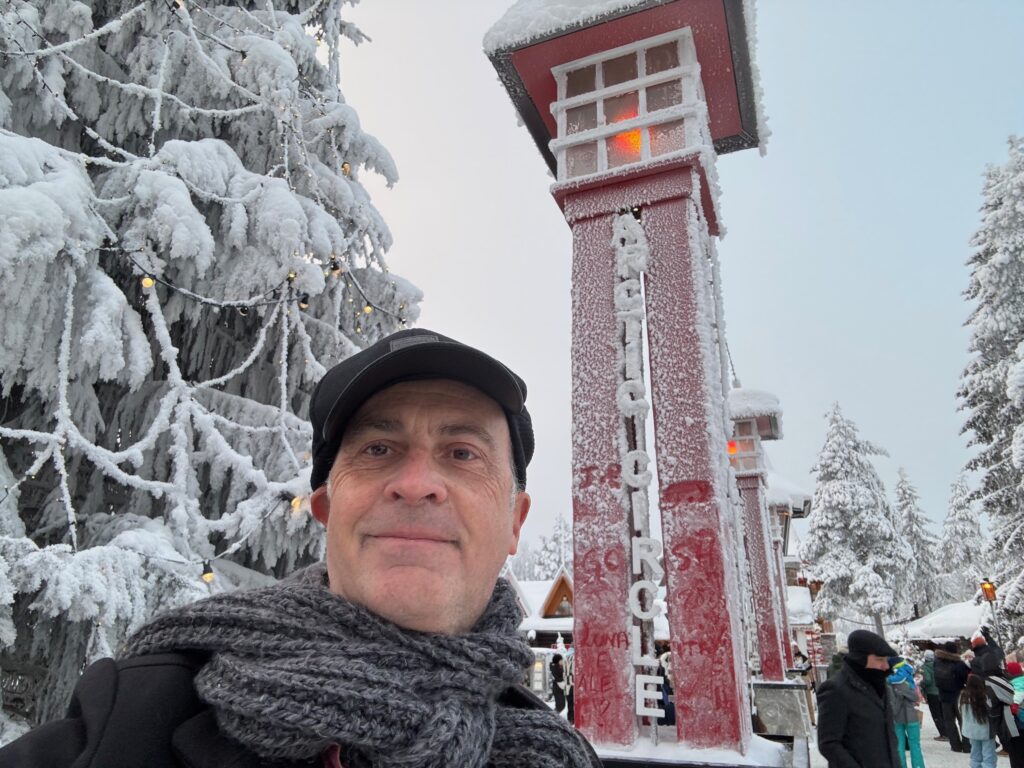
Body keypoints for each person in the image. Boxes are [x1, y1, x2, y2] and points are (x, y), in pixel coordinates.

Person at [0, 328, 601, 768]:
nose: (416, 483)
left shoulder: (550, 750)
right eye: (378, 450)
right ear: (326, 510)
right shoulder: (131, 716)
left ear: (515, 521)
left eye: (463, 454)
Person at [816, 629, 900, 768]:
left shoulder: (879, 685)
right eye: (879, 660)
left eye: (886, 660)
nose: (885, 666)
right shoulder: (835, 689)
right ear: (860, 659)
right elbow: (828, 743)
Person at [887, 657, 926, 768]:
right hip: (911, 716)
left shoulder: (889, 683)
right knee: (915, 745)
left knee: (899, 746)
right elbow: (915, 697)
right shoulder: (906, 683)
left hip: (896, 718)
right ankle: (918, 766)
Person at [935, 640, 971, 752]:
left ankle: (955, 745)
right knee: (963, 720)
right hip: (958, 695)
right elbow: (965, 678)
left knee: (949, 721)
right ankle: (967, 745)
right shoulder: (959, 664)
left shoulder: (937, 662)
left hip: (943, 695)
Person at [960, 674, 999, 768]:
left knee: (975, 754)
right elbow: (992, 711)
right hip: (986, 730)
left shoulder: (963, 697)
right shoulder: (985, 697)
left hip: (971, 731)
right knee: (989, 755)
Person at [920, 649, 947, 739]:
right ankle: (947, 732)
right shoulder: (939, 665)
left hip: (932, 693)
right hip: (941, 692)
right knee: (942, 713)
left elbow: (927, 680)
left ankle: (943, 734)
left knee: (936, 714)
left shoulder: (925, 667)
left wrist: (921, 684)